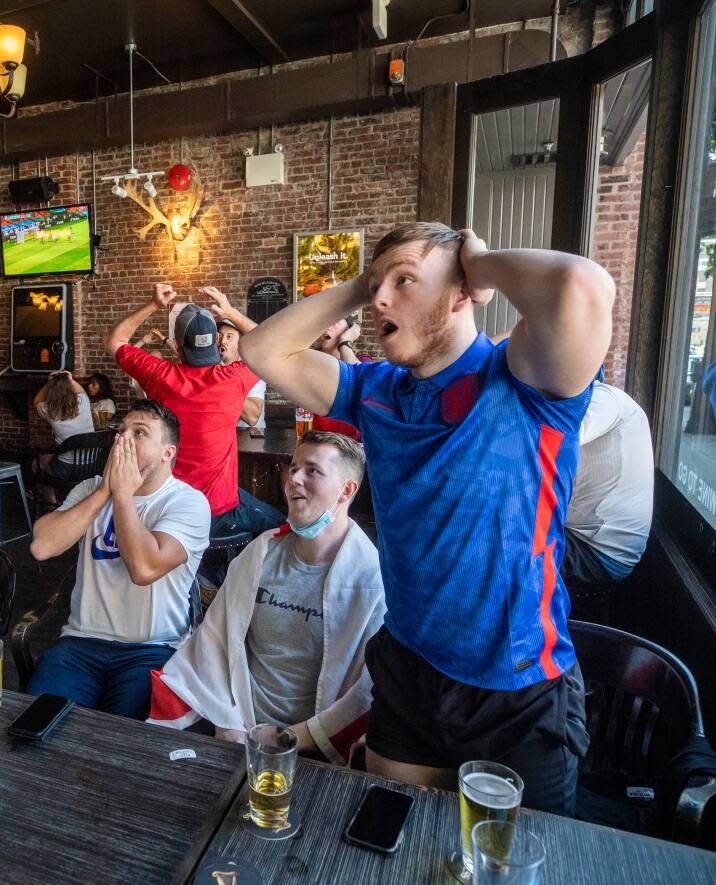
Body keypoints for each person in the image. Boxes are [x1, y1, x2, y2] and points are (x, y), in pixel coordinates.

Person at [242, 222, 615, 815]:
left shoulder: (523, 381)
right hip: (409, 673)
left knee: (504, 865)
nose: (383, 299)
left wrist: (482, 266)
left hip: (516, 692)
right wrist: (367, 285)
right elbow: (259, 350)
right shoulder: (375, 390)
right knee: (397, 851)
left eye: (406, 281)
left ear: (460, 292)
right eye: (379, 286)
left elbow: (581, 284)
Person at [149, 431, 384, 763]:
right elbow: (216, 640)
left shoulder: (370, 577)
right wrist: (228, 721)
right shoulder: (260, 552)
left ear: (347, 490)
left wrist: (291, 738)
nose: (293, 479)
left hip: (318, 743)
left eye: (312, 470)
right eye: (293, 467)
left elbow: (365, 690)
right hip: (238, 721)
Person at [27, 401, 210, 719]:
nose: (123, 440)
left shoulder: (188, 502)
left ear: (167, 453)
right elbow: (42, 547)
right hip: (81, 644)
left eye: (139, 433)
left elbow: (144, 568)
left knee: (126, 743)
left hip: (152, 648)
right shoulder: (90, 489)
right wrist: (104, 492)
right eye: (121, 431)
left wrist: (123, 494)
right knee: (37, 726)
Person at [104, 285, 283, 561]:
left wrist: (153, 304)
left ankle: (207, 575)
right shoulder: (234, 378)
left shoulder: (159, 375)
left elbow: (115, 340)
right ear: (215, 344)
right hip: (218, 513)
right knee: (289, 528)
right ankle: (233, 583)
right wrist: (230, 312)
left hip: (166, 507)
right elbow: (272, 344)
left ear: (177, 347)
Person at [562, 382, 653, 589]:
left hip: (597, 552)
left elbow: (551, 445)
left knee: (492, 553)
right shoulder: (599, 400)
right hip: (588, 540)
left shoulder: (604, 399)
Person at [34, 370, 95, 483]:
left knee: (37, 463)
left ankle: (51, 499)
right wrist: (70, 379)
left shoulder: (48, 409)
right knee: (52, 457)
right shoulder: (83, 401)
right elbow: (81, 391)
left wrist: (49, 383)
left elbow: (37, 400)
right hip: (92, 465)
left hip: (66, 468)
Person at [216, 317, 266, 431]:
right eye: (219, 336)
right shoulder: (212, 368)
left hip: (250, 436)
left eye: (229, 337)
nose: (222, 341)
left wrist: (223, 378)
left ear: (240, 343)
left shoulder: (251, 367)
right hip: (223, 434)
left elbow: (252, 417)